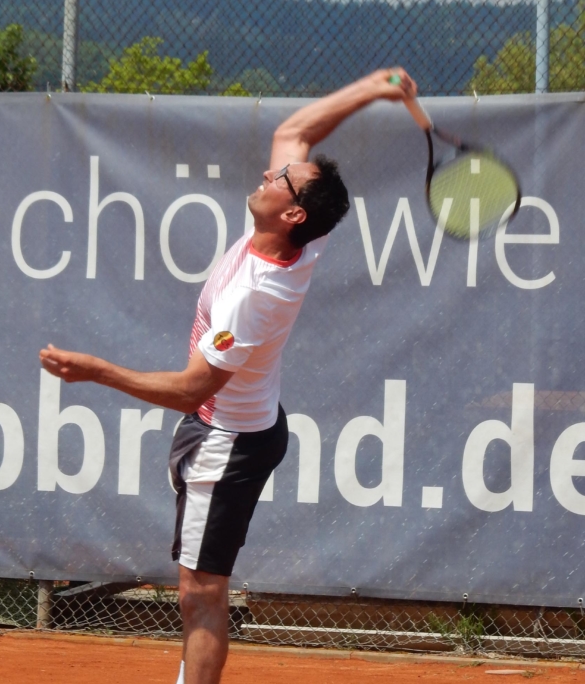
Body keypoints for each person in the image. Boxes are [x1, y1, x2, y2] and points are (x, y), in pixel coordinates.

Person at [40, 68, 417, 684]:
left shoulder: (255, 293)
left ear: (292, 211)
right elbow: (295, 129)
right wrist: (373, 89)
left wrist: (97, 371)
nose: (269, 173)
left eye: (282, 180)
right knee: (198, 587)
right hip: (222, 425)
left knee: (201, 592)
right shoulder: (290, 237)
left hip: (229, 442)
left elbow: (193, 387)